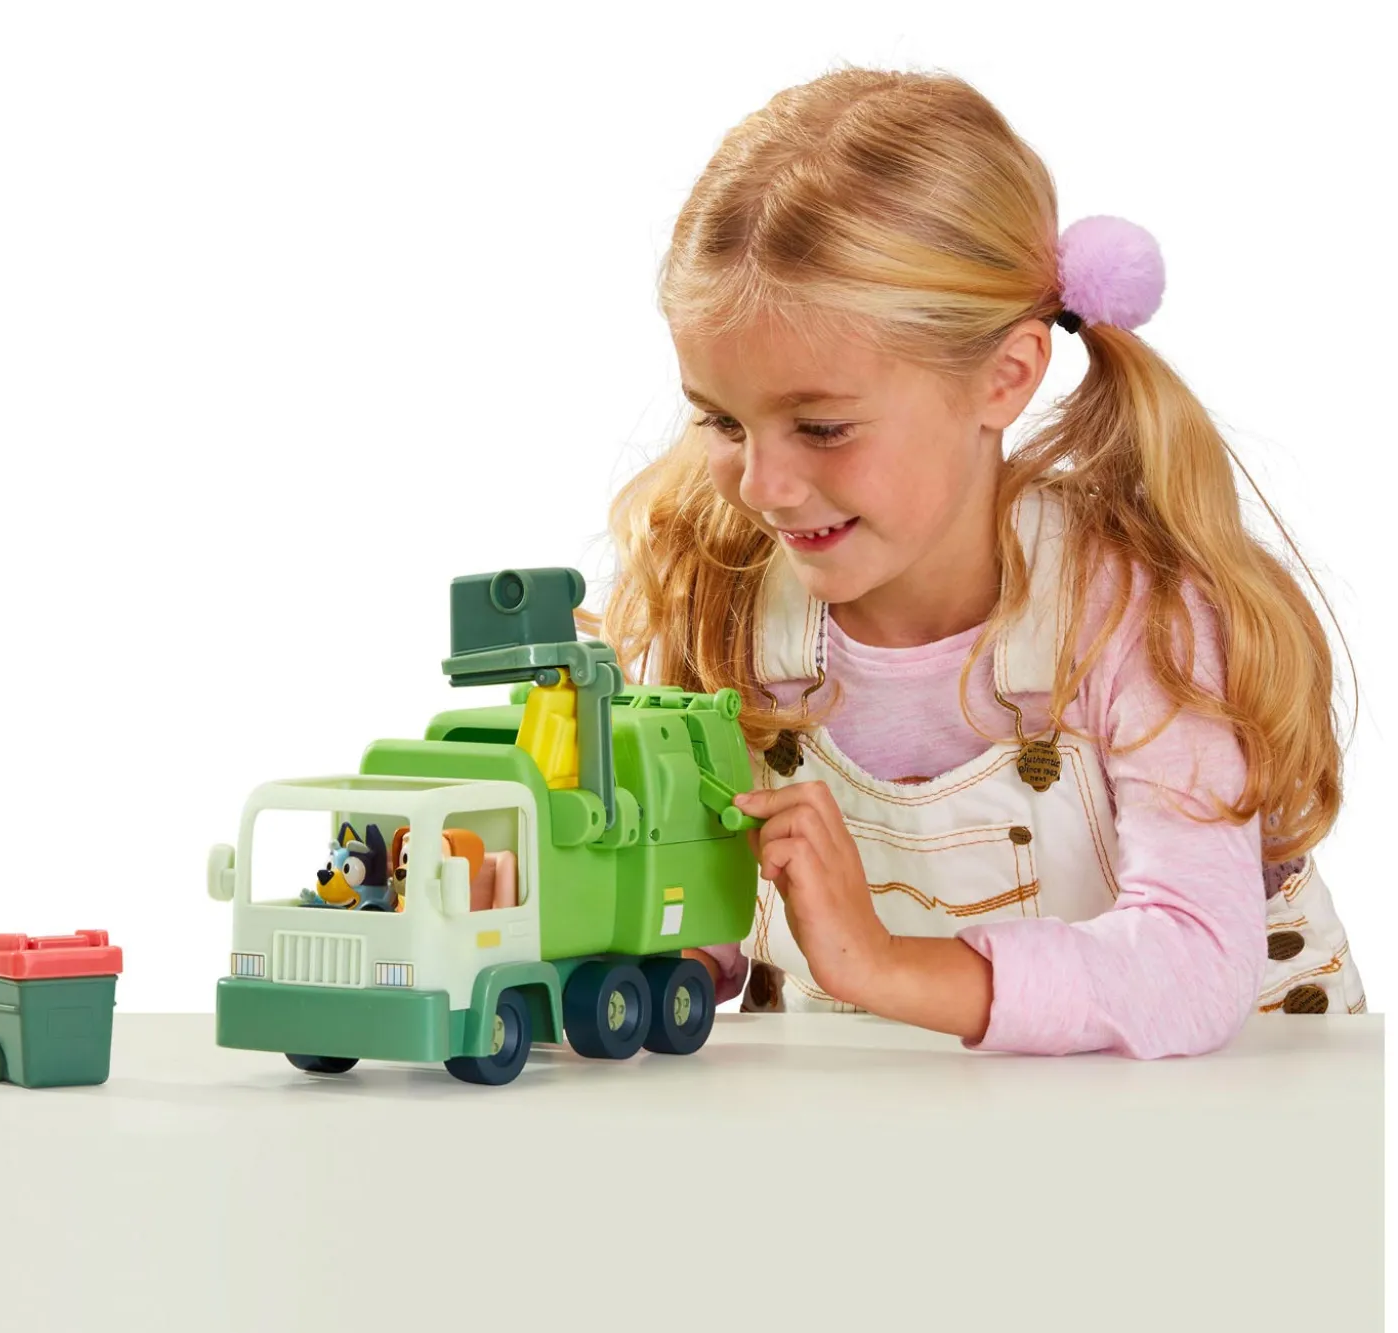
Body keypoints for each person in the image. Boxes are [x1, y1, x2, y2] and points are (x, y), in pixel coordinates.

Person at [575, 65, 1365, 1058]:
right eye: (722, 422)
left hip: (1220, 1119)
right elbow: (694, 918)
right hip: (902, 1123)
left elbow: (1193, 964)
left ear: (1005, 377)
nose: (762, 486)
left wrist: (879, 961)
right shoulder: (717, 604)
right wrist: (578, 929)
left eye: (821, 427)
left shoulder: (1137, 619)